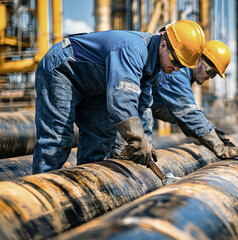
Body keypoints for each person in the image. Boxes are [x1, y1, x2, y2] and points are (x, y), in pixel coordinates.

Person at [32, 20, 206, 174]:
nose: (176, 69)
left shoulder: (154, 69)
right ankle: (36, 197)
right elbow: (122, 98)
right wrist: (136, 139)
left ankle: (86, 189)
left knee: (101, 137)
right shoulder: (133, 49)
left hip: (95, 86)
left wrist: (145, 141)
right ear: (163, 46)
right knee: (58, 139)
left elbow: (142, 106)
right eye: (175, 62)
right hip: (64, 70)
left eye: (181, 66)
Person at [111, 40, 238, 163]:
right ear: (199, 60)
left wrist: (210, 131)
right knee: (113, 160)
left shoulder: (184, 77)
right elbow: (189, 114)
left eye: (214, 75)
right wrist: (221, 149)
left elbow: (181, 116)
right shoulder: (176, 75)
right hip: (120, 118)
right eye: (210, 71)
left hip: (130, 118)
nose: (210, 77)